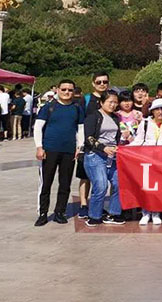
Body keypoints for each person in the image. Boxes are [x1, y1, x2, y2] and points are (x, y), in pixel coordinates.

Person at [33, 79, 85, 226]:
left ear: (74, 92)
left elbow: (80, 128)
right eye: (64, 89)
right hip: (49, 150)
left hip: (69, 151)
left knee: (65, 183)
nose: (67, 92)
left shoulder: (77, 108)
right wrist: (39, 146)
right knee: (46, 183)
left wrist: (79, 147)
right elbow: (37, 127)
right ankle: (42, 213)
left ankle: (60, 212)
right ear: (57, 90)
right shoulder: (49, 107)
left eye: (70, 90)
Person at [82, 90, 125, 226]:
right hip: (96, 155)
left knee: (118, 183)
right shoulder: (93, 116)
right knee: (101, 185)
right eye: (110, 102)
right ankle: (94, 215)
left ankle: (114, 213)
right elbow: (89, 137)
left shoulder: (116, 118)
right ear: (101, 102)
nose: (113, 105)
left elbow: (117, 137)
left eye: (115, 102)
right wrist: (103, 148)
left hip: (112, 156)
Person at [131, 98, 162, 226]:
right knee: (146, 186)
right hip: (146, 159)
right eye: (157, 109)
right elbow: (138, 140)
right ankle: (146, 212)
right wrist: (124, 149)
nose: (160, 112)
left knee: (160, 187)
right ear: (152, 111)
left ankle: (156, 212)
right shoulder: (145, 123)